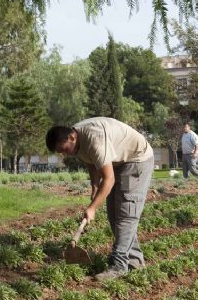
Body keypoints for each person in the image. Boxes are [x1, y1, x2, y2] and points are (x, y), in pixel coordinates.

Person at [46, 117, 154, 281]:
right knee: (113, 215)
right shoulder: (76, 141)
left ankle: (119, 266)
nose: (64, 154)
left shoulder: (94, 138)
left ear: (72, 138)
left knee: (125, 214)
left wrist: (92, 208)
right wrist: (95, 186)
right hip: (117, 163)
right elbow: (91, 161)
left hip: (136, 160)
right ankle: (135, 263)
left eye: (64, 149)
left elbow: (109, 179)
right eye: (60, 152)